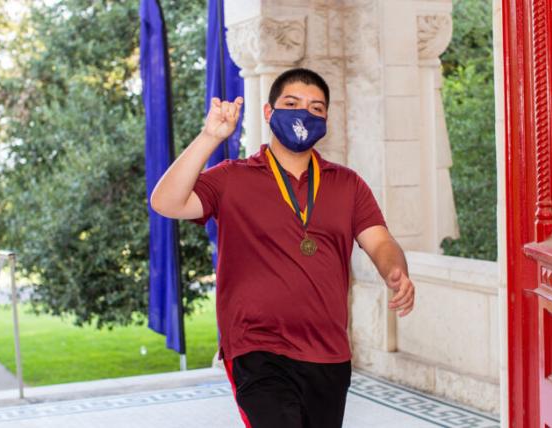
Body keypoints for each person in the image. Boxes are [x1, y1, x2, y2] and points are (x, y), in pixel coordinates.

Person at [150, 68, 415, 428]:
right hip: (256, 347)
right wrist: (209, 137)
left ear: (326, 119)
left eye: (316, 108)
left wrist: (394, 270)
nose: (304, 114)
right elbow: (166, 202)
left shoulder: (347, 184)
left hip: (328, 351)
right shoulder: (232, 177)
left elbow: (380, 240)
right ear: (269, 112)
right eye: (292, 103)